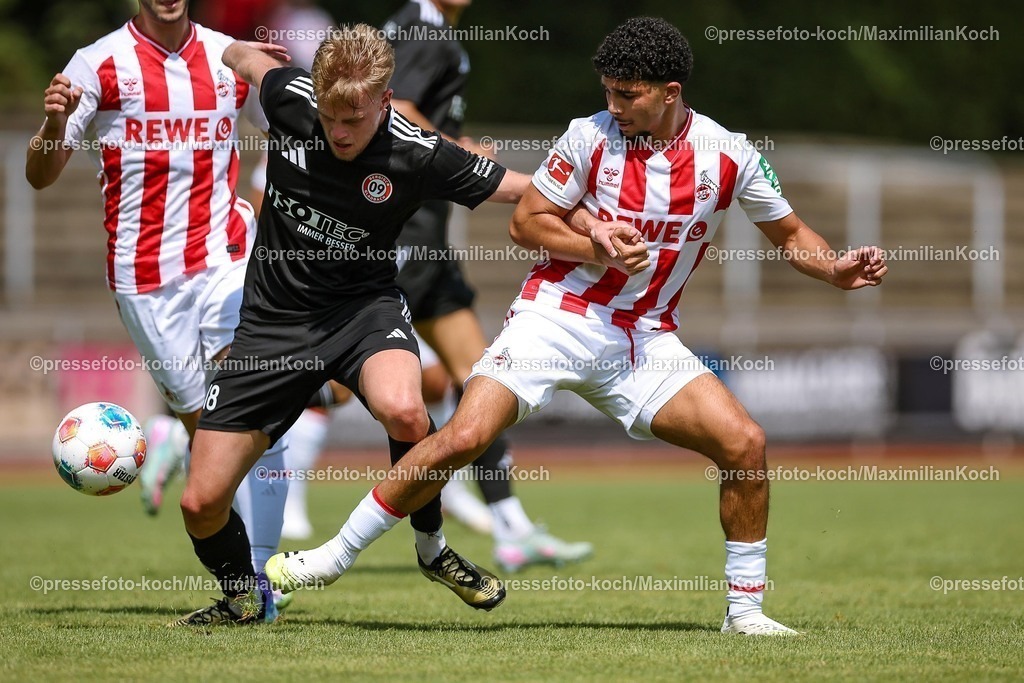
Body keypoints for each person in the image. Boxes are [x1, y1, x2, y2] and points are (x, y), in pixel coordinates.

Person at [265, 17, 888, 636]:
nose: (611, 105)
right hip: (556, 316)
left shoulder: (729, 155)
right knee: (463, 436)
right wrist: (599, 251)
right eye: (607, 91)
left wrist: (835, 268)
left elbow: (791, 234)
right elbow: (527, 222)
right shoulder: (587, 138)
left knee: (744, 443)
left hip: (643, 339)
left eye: (627, 94)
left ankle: (745, 615)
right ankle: (328, 559)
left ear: (669, 92)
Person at [172, 24, 603, 626]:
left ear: (384, 100)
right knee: (200, 501)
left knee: (406, 409)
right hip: (271, 324)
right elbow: (239, 57)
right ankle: (242, 597)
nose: (340, 132)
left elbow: (523, 189)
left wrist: (590, 219)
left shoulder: (417, 150)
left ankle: (433, 549)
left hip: (363, 311)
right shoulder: (289, 96)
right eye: (330, 116)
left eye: (354, 117)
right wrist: (241, 50)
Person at [24, 0, 292, 581]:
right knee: (212, 436)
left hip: (228, 255)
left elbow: (296, 135)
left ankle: (261, 577)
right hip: (144, 279)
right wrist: (52, 123)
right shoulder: (97, 65)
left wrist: (283, 88)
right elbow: (39, 175)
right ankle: (186, 454)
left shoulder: (230, 56)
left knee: (252, 415)